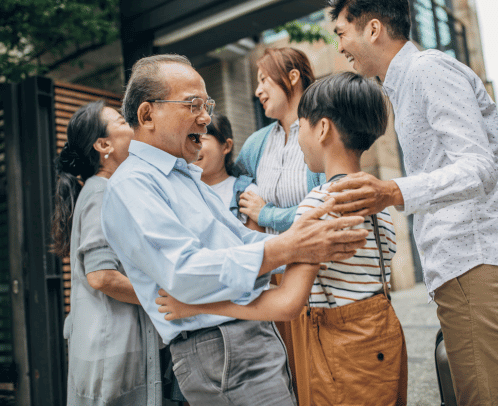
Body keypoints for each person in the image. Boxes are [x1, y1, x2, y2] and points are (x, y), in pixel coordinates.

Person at [100, 54, 370, 406]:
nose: (206, 117)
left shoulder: (183, 176)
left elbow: (241, 241)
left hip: (238, 340)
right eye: (193, 105)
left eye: (206, 104)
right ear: (147, 114)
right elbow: (185, 272)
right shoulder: (131, 186)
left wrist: (301, 236)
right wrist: (293, 246)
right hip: (218, 348)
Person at [324, 0, 498, 406]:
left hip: (476, 262)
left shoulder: (427, 71)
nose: (340, 46)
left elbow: (478, 169)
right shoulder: (405, 83)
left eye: (342, 32)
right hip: (465, 267)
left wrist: (392, 191)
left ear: (373, 28)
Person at [157, 72, 408, 406]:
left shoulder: (319, 204)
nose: (298, 137)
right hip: (383, 341)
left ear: (322, 129)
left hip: (338, 351)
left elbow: (288, 303)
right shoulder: (378, 203)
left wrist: (194, 306)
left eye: (300, 125)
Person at [51, 101, 162, 406]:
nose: (131, 126)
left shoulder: (103, 189)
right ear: (104, 145)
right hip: (112, 355)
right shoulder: (102, 191)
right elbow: (101, 276)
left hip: (108, 351)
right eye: (121, 123)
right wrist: (163, 296)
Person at [236, 47, 326, 234]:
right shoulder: (255, 144)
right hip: (272, 261)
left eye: (263, 80)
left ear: (293, 77)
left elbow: (325, 206)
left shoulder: (323, 133)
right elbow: (233, 181)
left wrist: (266, 215)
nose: (257, 91)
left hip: (317, 259)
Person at [194, 112, 263, 231]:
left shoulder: (246, 194)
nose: (194, 146)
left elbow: (257, 245)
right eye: (191, 139)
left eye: (202, 138)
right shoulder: (181, 189)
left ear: (226, 146)